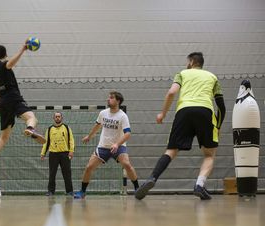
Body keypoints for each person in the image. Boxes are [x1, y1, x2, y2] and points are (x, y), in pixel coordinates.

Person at [135, 52, 226, 200]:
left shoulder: (182, 73)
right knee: (209, 155)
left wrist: (162, 114)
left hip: (183, 112)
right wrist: (219, 126)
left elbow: (171, 92)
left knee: (171, 150)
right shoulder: (212, 77)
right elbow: (221, 107)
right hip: (205, 112)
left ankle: (153, 177)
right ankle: (199, 185)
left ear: (191, 62)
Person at [0, 41, 46, 172]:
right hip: (12, 97)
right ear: (5, 54)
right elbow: (10, 64)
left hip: (2, 102)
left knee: (3, 137)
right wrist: (23, 49)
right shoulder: (4, 65)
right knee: (31, 117)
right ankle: (30, 129)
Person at [74, 92, 139, 199]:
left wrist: (117, 144)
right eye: (109, 97)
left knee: (127, 164)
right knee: (89, 167)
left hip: (118, 146)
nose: (108, 99)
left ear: (118, 101)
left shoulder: (123, 116)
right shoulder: (103, 113)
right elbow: (97, 126)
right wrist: (89, 136)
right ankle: (82, 192)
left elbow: (128, 133)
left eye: (111, 98)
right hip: (103, 146)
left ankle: (137, 189)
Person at [41, 112, 75, 196]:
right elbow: (46, 142)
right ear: (54, 118)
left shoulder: (66, 128)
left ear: (61, 118)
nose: (57, 118)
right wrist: (43, 153)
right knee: (52, 173)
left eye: (59, 116)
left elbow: (71, 140)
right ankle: (50, 191)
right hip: (53, 154)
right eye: (56, 117)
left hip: (65, 154)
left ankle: (69, 191)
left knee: (67, 173)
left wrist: (71, 151)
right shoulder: (49, 129)